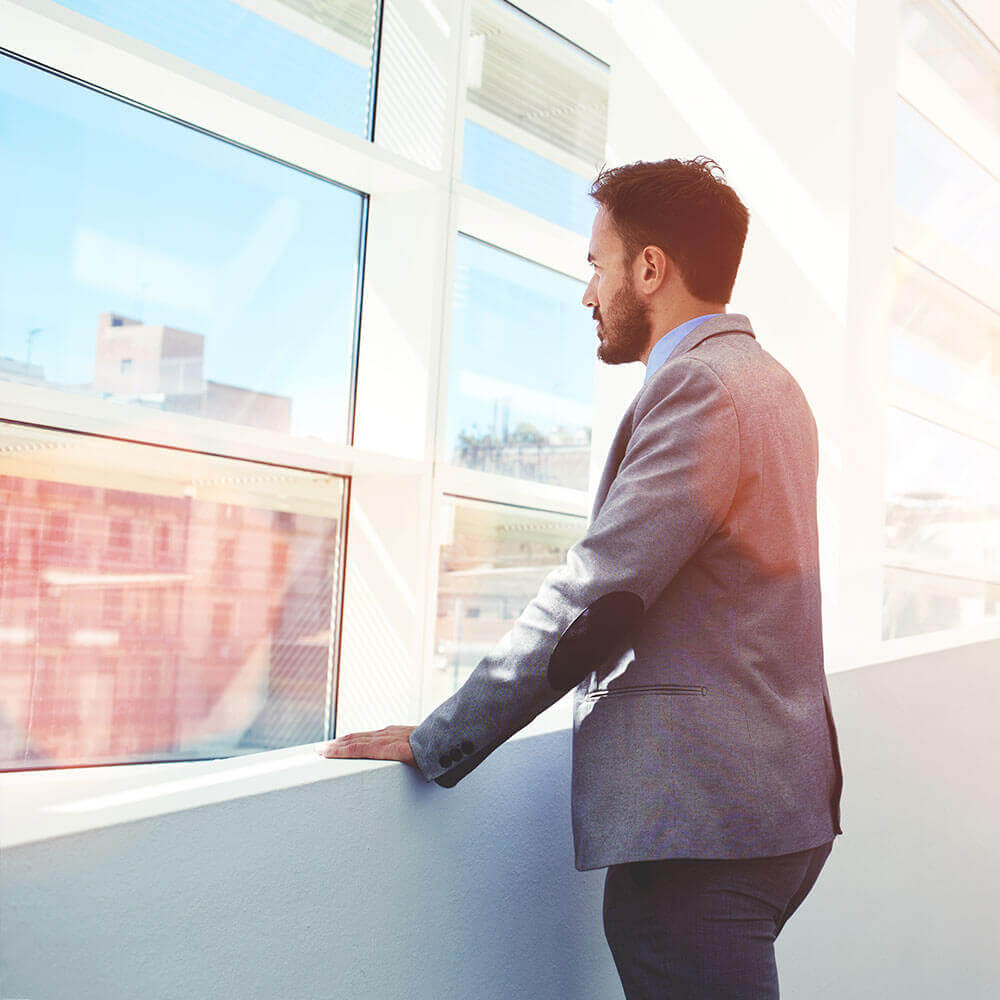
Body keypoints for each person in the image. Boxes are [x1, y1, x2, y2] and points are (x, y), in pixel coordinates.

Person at [315, 156, 844, 999]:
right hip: (773, 807)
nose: (587, 295)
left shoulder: (701, 389)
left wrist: (439, 736)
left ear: (649, 266)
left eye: (595, 266)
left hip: (698, 827)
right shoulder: (771, 384)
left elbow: (597, 594)